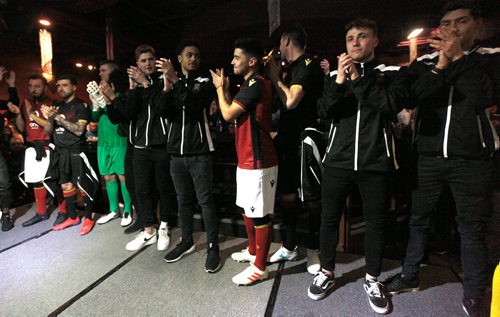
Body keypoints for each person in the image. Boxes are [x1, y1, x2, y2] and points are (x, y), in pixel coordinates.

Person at [383, 2, 499, 316]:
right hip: (427, 156)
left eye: (461, 22)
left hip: (472, 159)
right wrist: (440, 67)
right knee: (418, 219)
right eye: (446, 24)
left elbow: (484, 96)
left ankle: (474, 293)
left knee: (471, 228)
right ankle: (409, 276)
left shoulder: (490, 58)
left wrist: (459, 59)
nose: (452, 29)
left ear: (477, 24)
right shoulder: (425, 61)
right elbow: (409, 96)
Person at [307, 18, 408, 314]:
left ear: (375, 41)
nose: (355, 42)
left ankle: (372, 279)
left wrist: (358, 81)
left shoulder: (391, 73)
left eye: (362, 36)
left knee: (376, 223)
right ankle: (326, 272)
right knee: (329, 218)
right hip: (337, 160)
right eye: (350, 37)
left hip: (375, 161)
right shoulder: (336, 77)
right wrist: (338, 82)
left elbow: (389, 104)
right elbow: (324, 112)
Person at [210, 38, 278, 285]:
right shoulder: (249, 84)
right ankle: (252, 251)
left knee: (259, 215)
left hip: (259, 161)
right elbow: (234, 112)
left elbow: (227, 113)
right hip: (247, 159)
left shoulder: (256, 83)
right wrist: (226, 90)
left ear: (251, 61)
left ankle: (260, 267)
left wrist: (219, 88)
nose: (232, 61)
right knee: (247, 207)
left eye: (236, 57)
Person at [156, 40, 220, 272]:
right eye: (189, 55)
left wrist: (175, 81)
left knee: (205, 201)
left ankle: (213, 246)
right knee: (183, 201)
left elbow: (194, 105)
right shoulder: (170, 83)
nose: (194, 59)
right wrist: (166, 87)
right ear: (179, 58)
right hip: (175, 155)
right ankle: (187, 240)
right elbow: (163, 111)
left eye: (197, 56)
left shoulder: (204, 82)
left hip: (199, 152)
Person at [267, 25, 324, 271]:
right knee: (287, 196)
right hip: (288, 141)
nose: (278, 49)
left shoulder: (309, 65)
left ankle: (314, 250)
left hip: (306, 142)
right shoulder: (290, 70)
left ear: (286, 40)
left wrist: (274, 78)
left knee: (312, 200)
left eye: (280, 43)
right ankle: (289, 247)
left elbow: (290, 101)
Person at [122, 45, 177, 252]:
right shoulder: (134, 86)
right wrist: (134, 89)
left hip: (161, 145)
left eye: (150, 59)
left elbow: (163, 107)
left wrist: (146, 84)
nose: (147, 63)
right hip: (139, 146)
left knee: (164, 188)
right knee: (142, 189)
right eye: (143, 60)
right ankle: (148, 230)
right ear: (137, 64)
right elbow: (127, 113)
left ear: (156, 60)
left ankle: (164, 226)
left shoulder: (164, 79)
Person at [7, 74, 68, 227]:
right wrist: (18, 114)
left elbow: (49, 129)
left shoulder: (52, 103)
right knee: (36, 181)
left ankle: (63, 211)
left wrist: (32, 114)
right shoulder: (25, 103)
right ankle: (41, 213)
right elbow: (21, 128)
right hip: (32, 147)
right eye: (31, 86)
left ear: (44, 87)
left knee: (53, 181)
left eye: (37, 86)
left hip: (48, 146)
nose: (33, 89)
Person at [41, 75, 98, 235]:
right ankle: (73, 217)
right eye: (58, 85)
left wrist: (58, 118)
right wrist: (49, 120)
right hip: (60, 151)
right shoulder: (56, 105)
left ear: (74, 87)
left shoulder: (81, 105)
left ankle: (88, 218)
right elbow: (49, 131)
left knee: (82, 186)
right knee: (65, 185)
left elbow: (79, 131)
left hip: (76, 150)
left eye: (65, 85)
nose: (60, 88)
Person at [89, 60, 132, 227]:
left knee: (123, 176)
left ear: (113, 72)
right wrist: (95, 103)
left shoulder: (121, 91)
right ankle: (114, 210)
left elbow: (119, 114)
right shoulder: (97, 91)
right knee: (107, 176)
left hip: (119, 140)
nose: (100, 73)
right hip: (103, 141)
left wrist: (105, 101)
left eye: (103, 70)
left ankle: (128, 209)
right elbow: (94, 119)